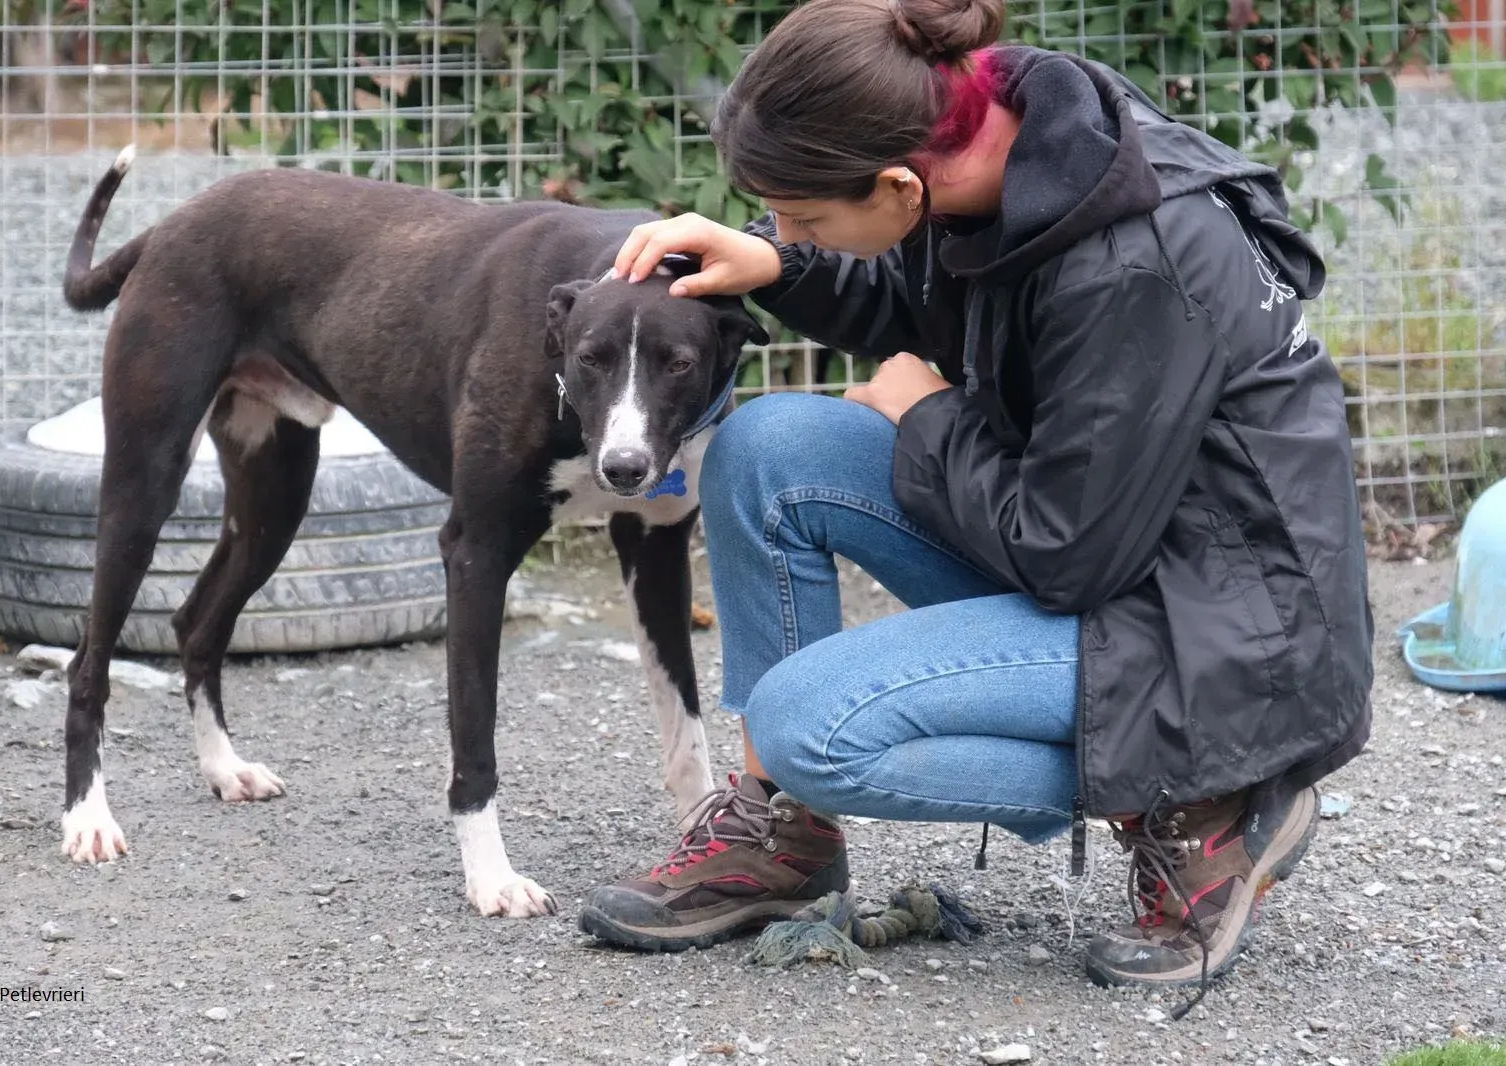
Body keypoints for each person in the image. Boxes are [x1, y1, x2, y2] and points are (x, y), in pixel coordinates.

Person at [573, 0, 1374, 1007]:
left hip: (1222, 630)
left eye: (805, 217)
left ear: (903, 184)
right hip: (1108, 543)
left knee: (802, 725)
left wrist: (928, 419)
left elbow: (1065, 556)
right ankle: (782, 840)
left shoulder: (1130, 260)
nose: (783, 230)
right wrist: (781, 267)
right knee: (770, 447)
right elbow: (920, 298)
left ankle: (1206, 799)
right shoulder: (989, 140)